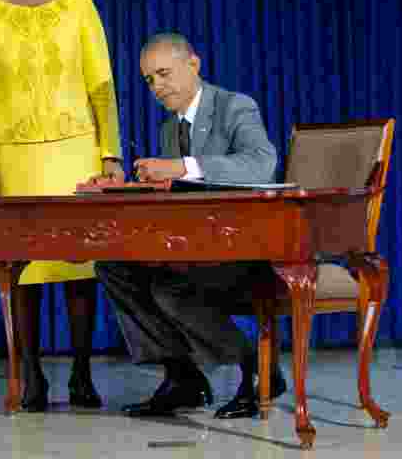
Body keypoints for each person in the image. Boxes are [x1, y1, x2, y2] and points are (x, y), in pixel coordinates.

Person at [0, 0, 124, 411]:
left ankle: (81, 372)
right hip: (16, 152)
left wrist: (111, 152)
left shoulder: (80, 5)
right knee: (24, 266)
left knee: (79, 264)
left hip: (77, 149)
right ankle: (31, 373)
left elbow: (102, 83)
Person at [94, 32, 287, 419]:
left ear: (193, 64)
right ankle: (181, 375)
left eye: (164, 74)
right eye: (149, 80)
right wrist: (129, 188)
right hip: (194, 245)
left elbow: (261, 163)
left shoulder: (235, 107)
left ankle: (257, 366)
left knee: (168, 286)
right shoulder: (171, 128)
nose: (157, 86)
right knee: (113, 266)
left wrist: (181, 167)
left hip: (243, 246)